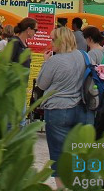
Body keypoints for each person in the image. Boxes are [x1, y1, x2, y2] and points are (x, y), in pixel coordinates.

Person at [36, 27, 94, 186]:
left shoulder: (54, 61)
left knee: (58, 153)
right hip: (83, 109)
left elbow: (41, 84)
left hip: (58, 110)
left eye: (53, 39)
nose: (51, 42)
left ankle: (62, 188)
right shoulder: (84, 56)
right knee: (80, 152)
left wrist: (45, 63)